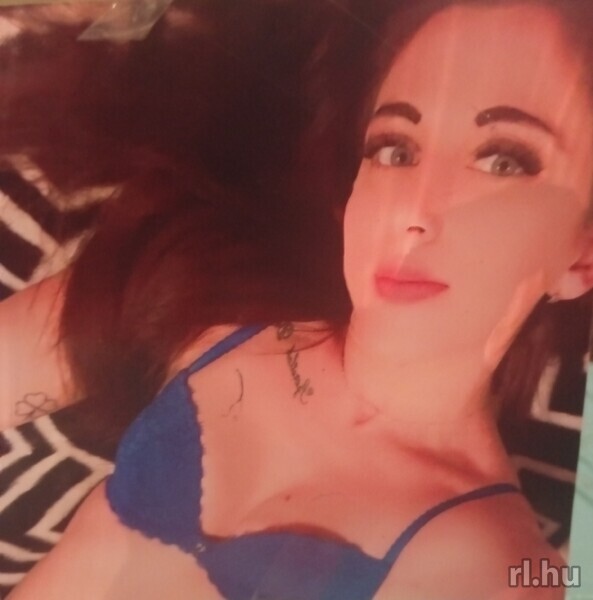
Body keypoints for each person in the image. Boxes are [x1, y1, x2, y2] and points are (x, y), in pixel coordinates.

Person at [8, 0, 593, 598]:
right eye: (395, 148)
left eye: (503, 161)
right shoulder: (215, 284)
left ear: (582, 257)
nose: (411, 213)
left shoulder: (506, 573)